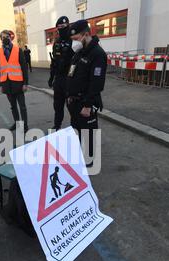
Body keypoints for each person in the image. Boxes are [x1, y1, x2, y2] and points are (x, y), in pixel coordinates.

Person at [66, 20, 107, 167]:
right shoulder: (79, 52)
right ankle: (79, 154)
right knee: (77, 129)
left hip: (86, 103)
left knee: (88, 132)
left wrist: (88, 105)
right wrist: (69, 95)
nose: (74, 43)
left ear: (86, 35)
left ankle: (89, 160)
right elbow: (72, 74)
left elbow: (96, 83)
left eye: (76, 39)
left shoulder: (97, 54)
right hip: (74, 101)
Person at [0, 30, 29, 132]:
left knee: (22, 106)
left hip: (18, 83)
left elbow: (24, 67)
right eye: (3, 37)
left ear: (10, 37)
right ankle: (17, 123)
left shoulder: (17, 50)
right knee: (13, 106)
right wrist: (0, 84)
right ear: (1, 39)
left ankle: (25, 125)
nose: (5, 38)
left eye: (7, 36)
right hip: (6, 84)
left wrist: (25, 83)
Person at [48, 16, 75, 131]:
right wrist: (51, 77)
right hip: (58, 79)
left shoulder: (74, 41)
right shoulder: (57, 43)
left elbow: (77, 63)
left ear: (68, 26)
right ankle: (57, 126)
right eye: (59, 28)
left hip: (70, 79)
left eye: (64, 27)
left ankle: (75, 126)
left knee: (72, 106)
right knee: (57, 105)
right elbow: (54, 63)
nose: (61, 30)